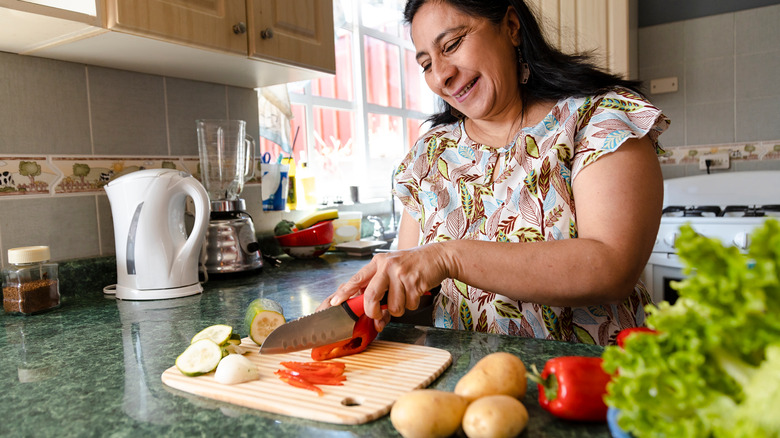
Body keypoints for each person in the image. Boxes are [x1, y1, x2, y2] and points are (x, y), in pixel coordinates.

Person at [319, 0, 670, 346]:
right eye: (426, 64)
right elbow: (419, 290)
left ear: (512, 27)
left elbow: (611, 267)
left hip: (593, 385)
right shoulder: (429, 155)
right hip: (465, 385)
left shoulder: (597, 120)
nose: (442, 75)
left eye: (452, 45)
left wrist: (447, 257)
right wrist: (372, 299)